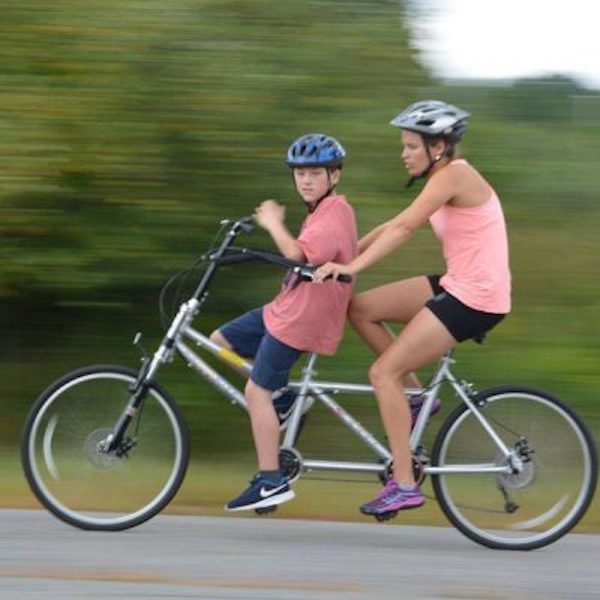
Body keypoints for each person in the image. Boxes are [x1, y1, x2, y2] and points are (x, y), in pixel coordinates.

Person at [313, 100, 511, 518]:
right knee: (361, 308)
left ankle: (403, 484)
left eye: (409, 146)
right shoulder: (443, 176)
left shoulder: (455, 174)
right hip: (458, 283)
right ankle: (417, 398)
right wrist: (344, 253)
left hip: (476, 298)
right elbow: (395, 221)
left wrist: (350, 267)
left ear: (437, 146)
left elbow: (405, 229)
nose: (403, 153)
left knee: (383, 372)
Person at [211, 133, 358, 512]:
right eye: (299, 173)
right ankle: (286, 399)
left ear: (334, 175)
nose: (306, 180)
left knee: (255, 393)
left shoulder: (335, 211)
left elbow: (297, 254)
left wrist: (273, 222)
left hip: (301, 318)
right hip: (285, 308)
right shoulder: (320, 212)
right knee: (218, 340)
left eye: (314, 173)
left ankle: (270, 481)